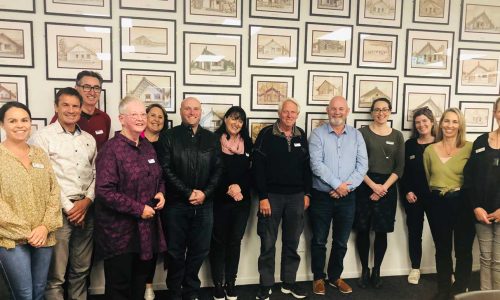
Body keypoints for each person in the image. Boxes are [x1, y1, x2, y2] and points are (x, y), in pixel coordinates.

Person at [94, 96, 166, 300]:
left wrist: (161, 192)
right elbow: (104, 191)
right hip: (119, 234)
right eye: (134, 114)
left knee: (138, 283)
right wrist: (139, 209)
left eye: (143, 114)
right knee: (119, 286)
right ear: (122, 119)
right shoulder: (111, 149)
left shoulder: (146, 146)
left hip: (145, 232)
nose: (140, 118)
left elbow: (159, 176)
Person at [30, 87, 97, 300]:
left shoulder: (88, 139)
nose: (71, 110)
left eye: (75, 106)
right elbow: (45, 179)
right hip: (58, 214)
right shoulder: (42, 137)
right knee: (56, 275)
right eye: (65, 105)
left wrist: (86, 201)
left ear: (81, 109)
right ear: (56, 108)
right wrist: (70, 209)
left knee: (81, 271)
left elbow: (96, 174)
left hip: (87, 211)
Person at [156, 97, 222, 300]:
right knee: (175, 252)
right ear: (180, 111)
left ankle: (191, 291)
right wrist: (187, 192)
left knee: (200, 250)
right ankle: (175, 292)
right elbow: (165, 169)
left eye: (196, 109)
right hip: (176, 205)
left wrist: (204, 193)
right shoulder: (168, 137)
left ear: (201, 112)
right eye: (188, 109)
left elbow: (218, 169)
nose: (192, 112)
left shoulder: (211, 139)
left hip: (204, 205)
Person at [0, 102, 62, 300]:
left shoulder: (39, 154)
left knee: (39, 291)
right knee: (24, 294)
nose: (20, 125)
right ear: (2, 124)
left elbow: (54, 191)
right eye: (13, 120)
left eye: (24, 120)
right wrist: (28, 232)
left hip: (44, 235)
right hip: (11, 239)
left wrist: (44, 227)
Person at [308, 96, 368, 296]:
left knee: (341, 241)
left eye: (341, 108)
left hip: (348, 198)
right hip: (321, 197)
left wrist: (345, 188)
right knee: (319, 240)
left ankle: (335, 277)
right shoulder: (317, 135)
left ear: (347, 111)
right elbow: (316, 165)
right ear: (327, 110)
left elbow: (362, 166)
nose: (337, 112)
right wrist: (337, 184)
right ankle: (318, 277)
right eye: (333, 108)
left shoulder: (357, 136)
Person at [253, 98, 312, 300]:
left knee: (292, 241)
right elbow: (258, 168)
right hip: (272, 197)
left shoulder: (301, 135)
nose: (289, 115)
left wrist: (307, 194)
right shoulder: (266, 135)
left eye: (293, 112)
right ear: (280, 113)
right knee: (267, 242)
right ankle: (266, 284)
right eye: (286, 112)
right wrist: (262, 197)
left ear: (297, 115)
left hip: (296, 197)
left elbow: (307, 168)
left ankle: (289, 282)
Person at [423, 108, 475, 300]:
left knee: (463, 249)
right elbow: (429, 177)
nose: (450, 126)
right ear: (440, 123)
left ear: (460, 125)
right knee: (442, 248)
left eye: (454, 122)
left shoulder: (470, 148)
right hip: (438, 203)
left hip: (462, 203)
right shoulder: (429, 150)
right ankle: (444, 288)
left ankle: (461, 289)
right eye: (446, 121)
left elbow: (474, 178)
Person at [354, 98, 404, 289]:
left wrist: (382, 188)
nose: (381, 113)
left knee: (381, 231)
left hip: (388, 187)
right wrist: (373, 186)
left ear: (390, 111)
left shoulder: (398, 136)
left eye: (384, 109)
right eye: (377, 110)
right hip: (364, 183)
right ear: (371, 112)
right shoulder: (361, 133)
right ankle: (365, 270)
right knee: (363, 229)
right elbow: (357, 163)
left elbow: (399, 168)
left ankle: (377, 270)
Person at [210, 106, 253, 300]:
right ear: (225, 119)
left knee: (235, 242)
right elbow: (212, 171)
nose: (236, 123)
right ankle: (218, 284)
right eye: (233, 118)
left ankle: (231, 283)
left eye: (240, 120)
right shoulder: (214, 141)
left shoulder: (248, 143)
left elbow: (252, 172)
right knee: (218, 242)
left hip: (242, 201)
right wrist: (229, 187)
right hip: (220, 200)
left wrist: (239, 189)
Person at [463, 97, 500, 290]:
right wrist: (476, 206)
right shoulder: (480, 141)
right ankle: (486, 295)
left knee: (499, 263)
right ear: (495, 113)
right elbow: (469, 177)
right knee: (485, 259)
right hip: (481, 213)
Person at [400, 107, 436, 285]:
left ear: (432, 122)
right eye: (418, 122)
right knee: (415, 233)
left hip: (436, 198)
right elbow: (403, 172)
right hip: (414, 198)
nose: (421, 125)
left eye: (424, 121)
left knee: (441, 234)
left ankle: (445, 269)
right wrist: (407, 190)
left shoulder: (440, 143)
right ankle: (415, 268)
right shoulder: (409, 145)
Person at [142, 103, 168, 300]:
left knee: (159, 246)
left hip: (165, 201)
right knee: (142, 246)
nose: (157, 119)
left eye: (161, 117)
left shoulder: (168, 141)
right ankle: (142, 285)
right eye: (153, 115)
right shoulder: (135, 140)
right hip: (141, 203)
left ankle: (151, 284)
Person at [50, 70, 111, 150]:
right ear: (76, 88)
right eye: (87, 87)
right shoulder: (64, 116)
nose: (92, 92)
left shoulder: (104, 118)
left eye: (96, 88)